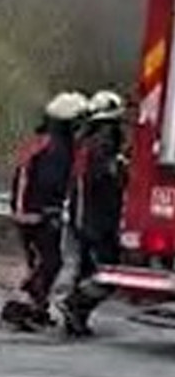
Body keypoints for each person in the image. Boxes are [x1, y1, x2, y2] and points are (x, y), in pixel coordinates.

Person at [3, 91, 88, 331]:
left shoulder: (43, 141)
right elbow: (50, 181)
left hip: (32, 212)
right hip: (38, 214)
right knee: (49, 262)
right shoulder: (56, 148)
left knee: (41, 262)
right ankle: (23, 304)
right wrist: (51, 211)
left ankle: (35, 306)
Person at [59, 90, 128, 337]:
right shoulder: (103, 141)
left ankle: (76, 317)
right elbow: (105, 178)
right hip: (96, 221)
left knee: (87, 270)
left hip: (85, 218)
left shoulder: (87, 140)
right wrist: (122, 167)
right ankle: (75, 305)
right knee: (108, 273)